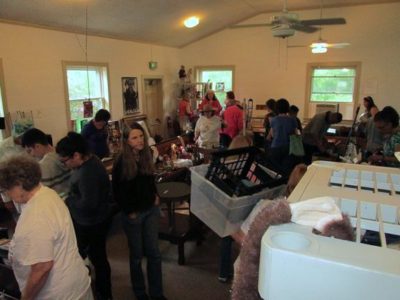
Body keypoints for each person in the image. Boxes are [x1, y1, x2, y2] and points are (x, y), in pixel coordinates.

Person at [0, 156, 93, 300]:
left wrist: (26, 297)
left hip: (58, 292)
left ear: (19, 184)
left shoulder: (35, 216)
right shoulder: (47, 193)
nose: (7, 194)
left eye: (7, 189)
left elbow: (42, 267)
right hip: (73, 281)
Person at [112, 122, 167, 300]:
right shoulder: (121, 161)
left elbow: (150, 179)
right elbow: (117, 192)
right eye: (134, 137)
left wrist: (155, 195)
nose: (139, 140)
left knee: (154, 254)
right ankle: (140, 292)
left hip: (150, 209)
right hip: (133, 214)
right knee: (136, 256)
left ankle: (157, 294)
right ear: (127, 141)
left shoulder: (147, 154)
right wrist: (129, 211)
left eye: (141, 136)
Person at [56, 132, 113, 300]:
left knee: (98, 259)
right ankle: (104, 292)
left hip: (92, 223)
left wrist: (69, 200)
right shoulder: (91, 160)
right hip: (96, 219)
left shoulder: (88, 173)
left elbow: (89, 204)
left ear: (76, 155)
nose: (65, 165)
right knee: (98, 258)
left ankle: (103, 294)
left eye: (65, 161)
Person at [21, 128, 71, 200]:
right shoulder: (61, 153)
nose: (31, 155)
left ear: (37, 146)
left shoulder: (44, 165)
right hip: (70, 198)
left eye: (30, 151)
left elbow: (43, 194)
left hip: (58, 202)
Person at [265, 98, 298, 177]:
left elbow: (272, 135)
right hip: (288, 148)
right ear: (287, 108)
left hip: (275, 147)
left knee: (275, 170)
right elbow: (296, 134)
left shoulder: (274, 120)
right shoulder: (293, 120)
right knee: (286, 171)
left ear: (277, 108)